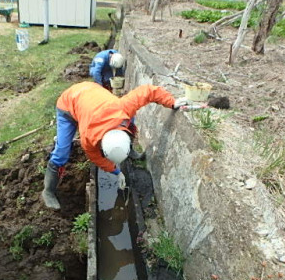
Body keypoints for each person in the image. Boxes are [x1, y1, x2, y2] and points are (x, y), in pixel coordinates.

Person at [41, 81, 188, 210]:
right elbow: (96, 159)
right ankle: (48, 191)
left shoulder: (123, 107)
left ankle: (129, 151)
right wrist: (116, 172)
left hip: (92, 91)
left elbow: (149, 91)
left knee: (130, 119)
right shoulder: (88, 138)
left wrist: (171, 102)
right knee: (61, 152)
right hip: (68, 105)